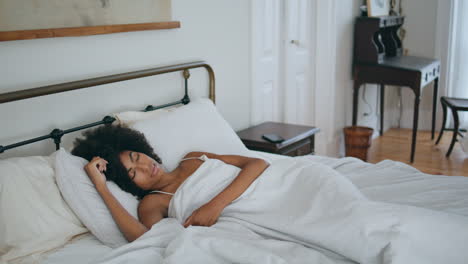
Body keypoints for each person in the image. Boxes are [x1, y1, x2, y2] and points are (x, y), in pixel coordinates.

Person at [71, 125, 269, 242]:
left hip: (271, 185)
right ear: (129, 185)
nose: (145, 167)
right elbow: (143, 238)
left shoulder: (192, 158)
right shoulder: (153, 203)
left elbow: (258, 163)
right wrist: (102, 187)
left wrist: (215, 205)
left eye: (136, 156)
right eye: (133, 173)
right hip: (254, 213)